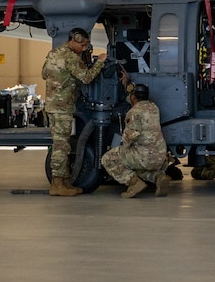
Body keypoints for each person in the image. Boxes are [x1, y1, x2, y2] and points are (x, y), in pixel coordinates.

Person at [41, 27, 107, 196]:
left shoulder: (53, 54)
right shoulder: (71, 57)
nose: (84, 49)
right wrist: (100, 61)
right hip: (63, 107)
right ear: (75, 40)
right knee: (61, 146)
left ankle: (63, 182)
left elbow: (44, 74)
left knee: (61, 144)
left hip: (52, 106)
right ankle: (57, 184)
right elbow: (86, 77)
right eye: (83, 45)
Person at [100, 78, 169, 198]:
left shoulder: (134, 112)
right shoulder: (153, 107)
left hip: (145, 155)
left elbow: (132, 135)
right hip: (160, 156)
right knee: (138, 167)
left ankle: (134, 183)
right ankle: (158, 177)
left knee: (108, 159)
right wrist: (127, 86)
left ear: (133, 97)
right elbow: (133, 100)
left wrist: (122, 146)